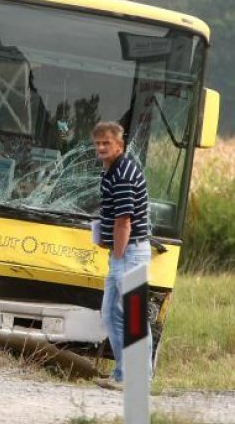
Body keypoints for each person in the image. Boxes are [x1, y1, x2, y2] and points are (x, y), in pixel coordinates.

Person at [91, 121, 151, 390]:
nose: (101, 148)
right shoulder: (111, 171)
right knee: (111, 314)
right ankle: (123, 373)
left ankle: (137, 378)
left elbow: (124, 222)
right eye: (97, 143)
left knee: (133, 316)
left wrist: (116, 254)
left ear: (119, 145)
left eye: (106, 143)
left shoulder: (123, 173)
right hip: (122, 252)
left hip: (130, 253)